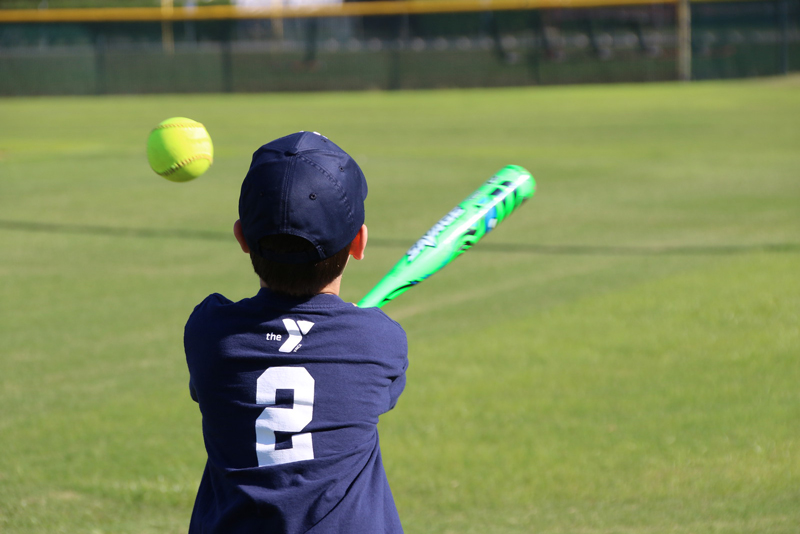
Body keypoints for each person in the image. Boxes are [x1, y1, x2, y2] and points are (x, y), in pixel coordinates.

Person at [184, 131, 408, 533]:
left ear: (241, 238)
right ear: (359, 242)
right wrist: (353, 324)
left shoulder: (208, 331)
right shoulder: (379, 340)